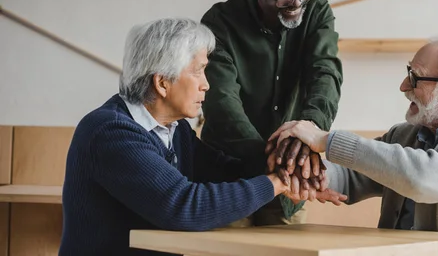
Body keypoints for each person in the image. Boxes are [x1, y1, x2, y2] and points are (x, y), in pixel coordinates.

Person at [59, 18, 345, 256]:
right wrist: (278, 183)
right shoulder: (110, 133)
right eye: (198, 72)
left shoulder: (174, 128)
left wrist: (295, 172)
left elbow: (223, 171)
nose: (207, 85)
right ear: (162, 82)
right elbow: (185, 206)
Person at [269, 36, 438, 256]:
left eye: (416, 78)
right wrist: (301, 170)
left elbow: (423, 178)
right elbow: (350, 176)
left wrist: (327, 140)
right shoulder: (405, 135)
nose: (404, 86)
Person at [200, 0, 344, 225]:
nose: (297, 2)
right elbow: (221, 103)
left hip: (290, 180)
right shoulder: (219, 23)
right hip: (228, 177)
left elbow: (325, 74)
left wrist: (309, 135)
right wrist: (275, 161)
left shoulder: (318, 11)